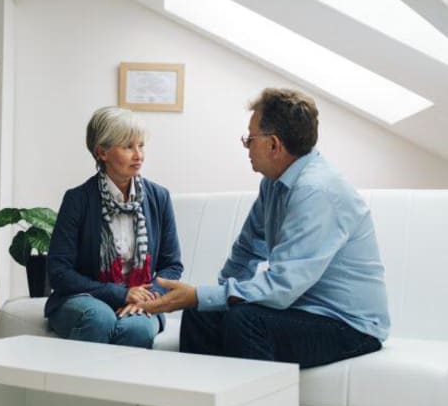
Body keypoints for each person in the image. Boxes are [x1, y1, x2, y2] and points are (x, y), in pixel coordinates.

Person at [141, 88, 389, 368]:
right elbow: (247, 249)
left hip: (348, 324)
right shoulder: (273, 183)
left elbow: (282, 287)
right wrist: (212, 299)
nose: (247, 146)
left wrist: (200, 295)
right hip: (301, 311)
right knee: (202, 314)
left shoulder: (316, 191)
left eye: (250, 139)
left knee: (244, 321)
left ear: (274, 145)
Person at [44, 106, 183, 348]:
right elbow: (59, 271)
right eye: (128, 147)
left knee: (137, 327)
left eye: (141, 145)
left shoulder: (159, 197)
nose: (138, 155)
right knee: (100, 318)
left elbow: (172, 265)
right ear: (102, 152)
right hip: (86, 297)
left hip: (142, 296)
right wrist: (119, 294)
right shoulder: (78, 200)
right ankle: (79, 387)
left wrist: (145, 297)